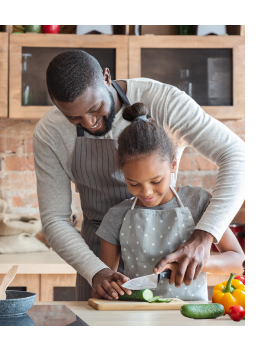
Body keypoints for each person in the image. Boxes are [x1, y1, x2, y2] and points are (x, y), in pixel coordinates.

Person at [33, 50, 245, 301]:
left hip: (170, 260)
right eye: (74, 118)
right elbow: (55, 219)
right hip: (99, 265)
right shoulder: (49, 132)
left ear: (106, 77)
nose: (90, 123)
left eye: (95, 108)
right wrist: (97, 271)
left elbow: (237, 154)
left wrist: (204, 236)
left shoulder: (163, 101)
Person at [93, 103, 245, 301]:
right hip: (136, 319)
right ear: (123, 174)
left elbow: (237, 260)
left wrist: (194, 262)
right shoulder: (116, 216)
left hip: (189, 319)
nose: (146, 192)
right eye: (133, 183)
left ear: (173, 164)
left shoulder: (197, 202)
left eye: (156, 181)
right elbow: (105, 280)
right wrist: (106, 287)